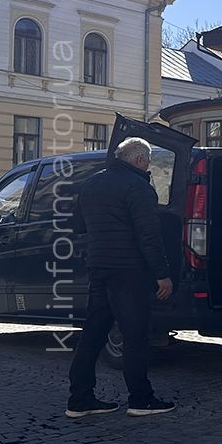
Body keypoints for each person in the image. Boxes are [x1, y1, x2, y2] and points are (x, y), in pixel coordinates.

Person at [67, 137, 176, 418]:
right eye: (148, 161)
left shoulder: (91, 183)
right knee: (135, 336)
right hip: (130, 271)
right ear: (140, 160)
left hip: (98, 267)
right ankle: (141, 399)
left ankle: (79, 399)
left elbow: (77, 225)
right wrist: (162, 275)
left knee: (92, 333)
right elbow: (149, 236)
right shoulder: (138, 187)